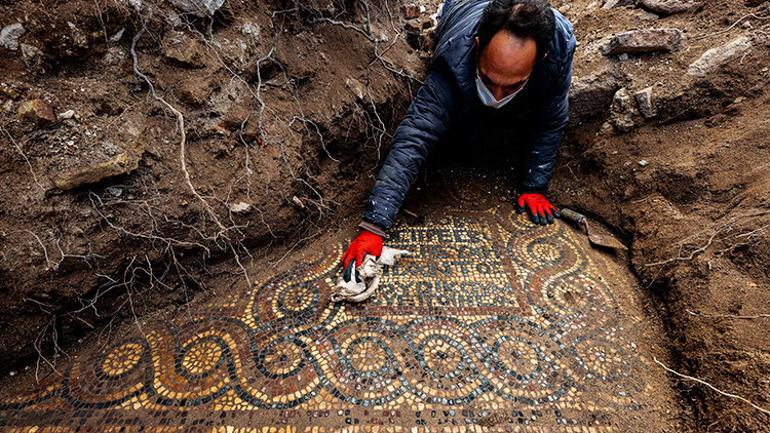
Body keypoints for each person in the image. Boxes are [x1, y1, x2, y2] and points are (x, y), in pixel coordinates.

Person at [341, 0, 576, 270]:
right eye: (488, 80)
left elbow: (551, 119)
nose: (496, 95)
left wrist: (535, 186)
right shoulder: (456, 55)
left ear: (541, 61)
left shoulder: (557, 53)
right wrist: (374, 225)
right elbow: (416, 135)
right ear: (477, 47)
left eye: (512, 85)